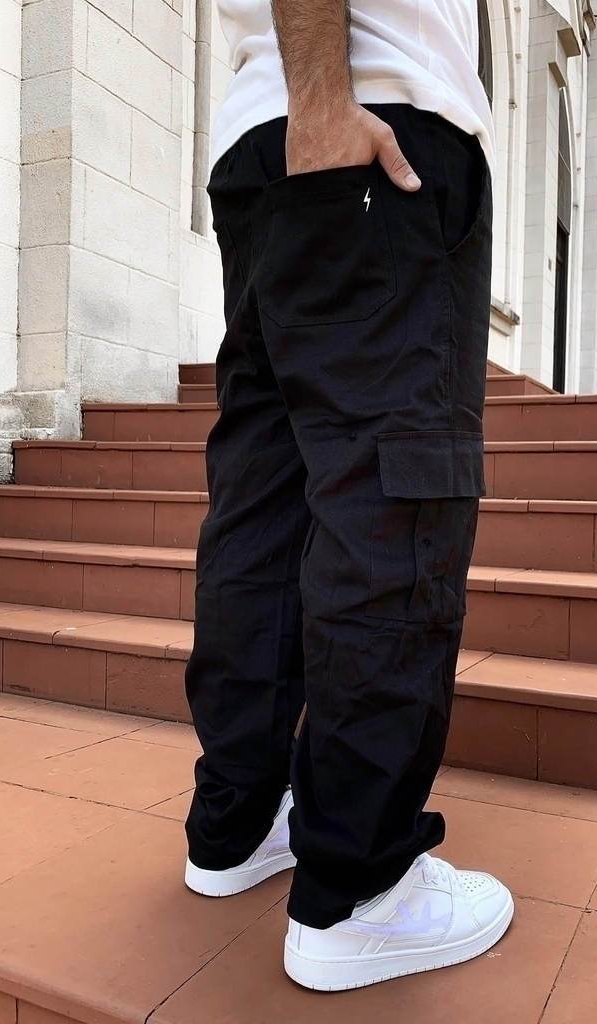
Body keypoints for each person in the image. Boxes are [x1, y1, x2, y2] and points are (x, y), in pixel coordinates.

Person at [183, 0, 514, 992]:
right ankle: (360, 890)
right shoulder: (349, 104)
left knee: (264, 502)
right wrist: (325, 99)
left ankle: (237, 825)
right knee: (395, 496)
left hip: (263, 143)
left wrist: (309, 101)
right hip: (371, 134)